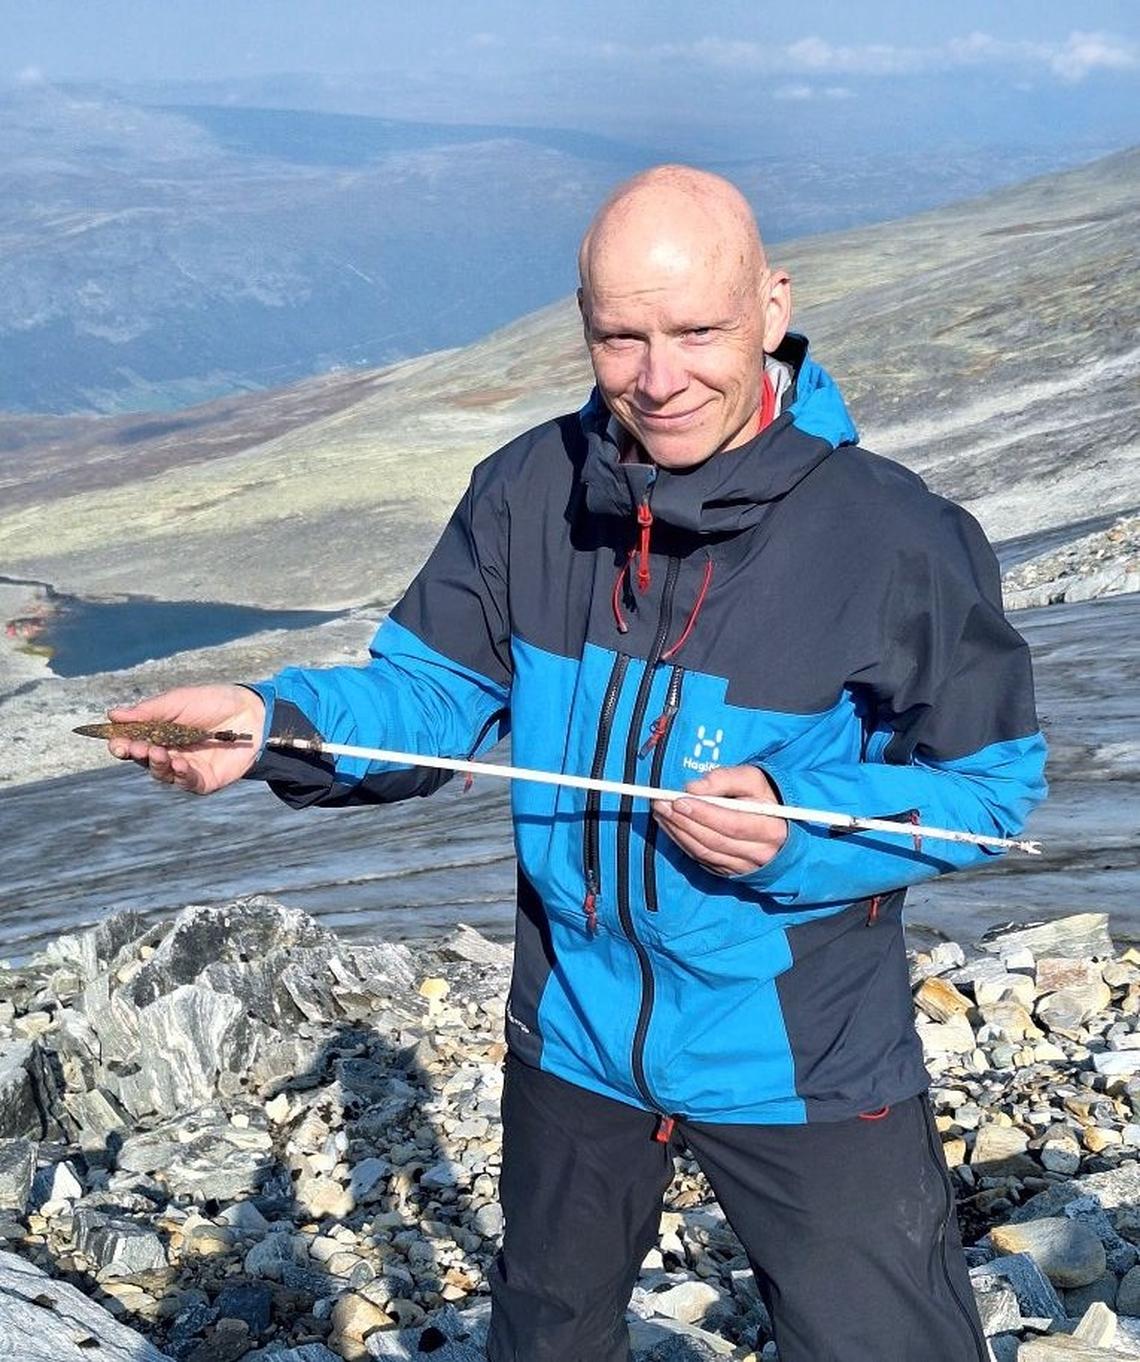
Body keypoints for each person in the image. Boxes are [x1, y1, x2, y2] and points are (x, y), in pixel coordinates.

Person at [106, 165, 1048, 1361]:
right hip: (573, 1031)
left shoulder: (897, 537)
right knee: (547, 1337)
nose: (659, 380)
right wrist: (264, 717)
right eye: (620, 338)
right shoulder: (525, 492)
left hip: (798, 1044)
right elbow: (431, 696)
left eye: (697, 331)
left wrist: (797, 817)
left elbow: (989, 797)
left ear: (772, 306)